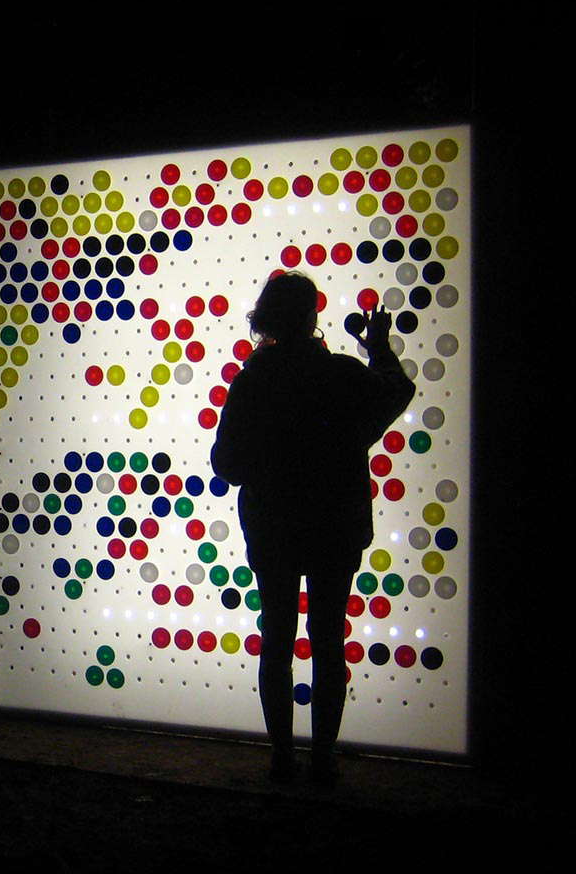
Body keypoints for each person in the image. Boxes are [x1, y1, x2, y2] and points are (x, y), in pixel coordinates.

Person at [211, 272, 414, 784]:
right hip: (335, 526)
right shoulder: (343, 376)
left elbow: (227, 464)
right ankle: (322, 758)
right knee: (328, 640)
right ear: (312, 315)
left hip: (274, 527)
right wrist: (380, 349)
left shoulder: (253, 382)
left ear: (266, 318)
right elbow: (396, 390)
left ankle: (281, 755)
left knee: (276, 638)